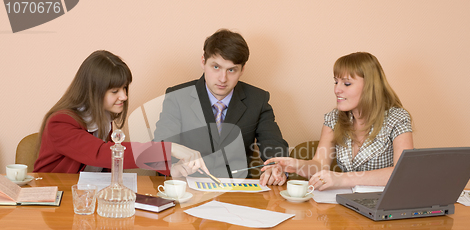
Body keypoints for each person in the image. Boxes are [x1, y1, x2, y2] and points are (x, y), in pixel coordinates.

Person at [34, 50, 207, 177]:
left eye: (124, 88)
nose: (124, 96)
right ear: (93, 91)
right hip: (55, 199)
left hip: (84, 195)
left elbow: (112, 159)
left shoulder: (102, 119)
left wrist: (172, 170)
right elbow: (103, 153)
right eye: (115, 91)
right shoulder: (60, 122)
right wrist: (170, 149)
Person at [154, 29, 288, 185]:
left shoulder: (257, 100)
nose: (223, 79)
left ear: (242, 70)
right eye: (216, 67)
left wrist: (276, 166)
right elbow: (160, 146)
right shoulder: (177, 96)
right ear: (203, 61)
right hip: (187, 189)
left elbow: (274, 145)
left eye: (231, 70)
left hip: (238, 193)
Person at [262, 52, 413, 190]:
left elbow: (404, 171)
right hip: (348, 206)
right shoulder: (334, 118)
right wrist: (297, 165)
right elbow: (320, 164)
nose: (337, 90)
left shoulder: (397, 118)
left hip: (384, 205)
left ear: (370, 86)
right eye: (336, 82)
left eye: (346, 83)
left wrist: (342, 179)